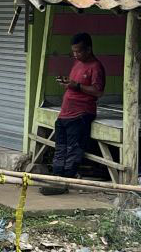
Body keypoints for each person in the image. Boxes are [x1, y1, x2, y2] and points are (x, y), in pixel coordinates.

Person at [41, 32, 105, 196]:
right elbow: (74, 85)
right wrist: (67, 83)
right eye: (74, 52)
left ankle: (67, 181)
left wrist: (76, 85)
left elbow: (98, 92)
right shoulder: (77, 63)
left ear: (89, 49)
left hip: (81, 114)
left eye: (79, 51)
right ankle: (56, 179)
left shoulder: (96, 67)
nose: (76, 55)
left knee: (73, 149)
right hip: (65, 113)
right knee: (60, 148)